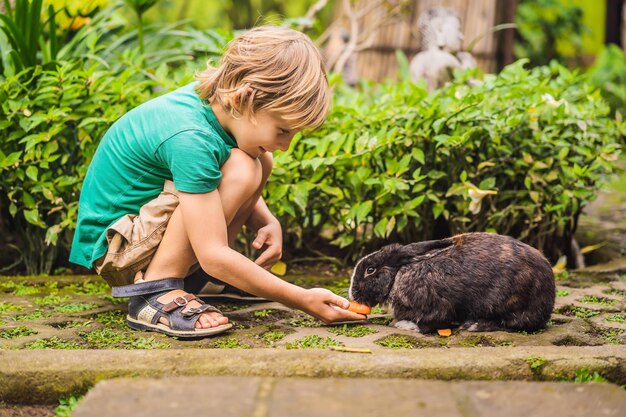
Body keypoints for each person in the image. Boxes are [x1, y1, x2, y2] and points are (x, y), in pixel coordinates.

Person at [69, 25, 366, 338]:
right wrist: (300, 298)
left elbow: (212, 179)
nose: (286, 144)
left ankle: (199, 280)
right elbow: (212, 249)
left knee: (259, 160)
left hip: (142, 233)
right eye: (282, 130)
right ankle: (154, 291)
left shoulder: (215, 107)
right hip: (118, 249)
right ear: (243, 98)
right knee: (242, 165)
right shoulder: (190, 138)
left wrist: (266, 219)